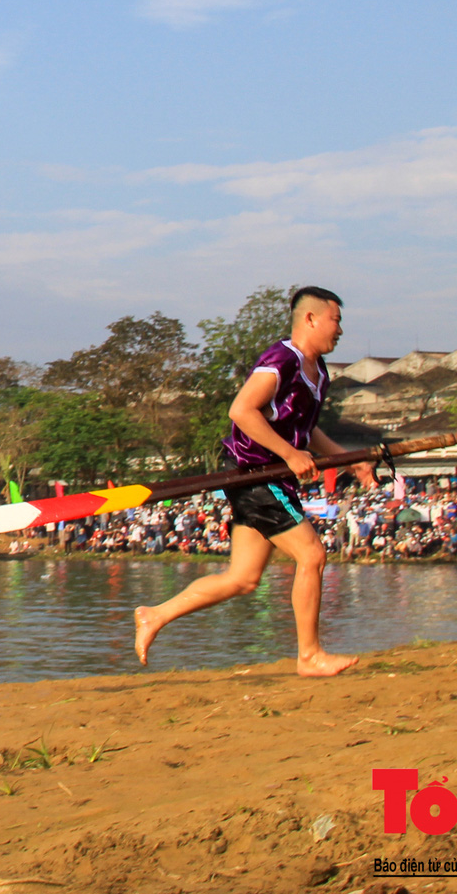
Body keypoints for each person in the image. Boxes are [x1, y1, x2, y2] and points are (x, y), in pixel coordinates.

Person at [132, 287, 374, 678]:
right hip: (255, 473)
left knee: (243, 578)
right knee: (311, 555)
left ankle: (155, 614)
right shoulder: (281, 361)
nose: (340, 330)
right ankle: (309, 655)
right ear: (310, 319)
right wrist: (290, 454)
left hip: (271, 475)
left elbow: (307, 431)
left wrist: (351, 463)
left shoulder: (320, 372)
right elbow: (241, 410)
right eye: (336, 320)